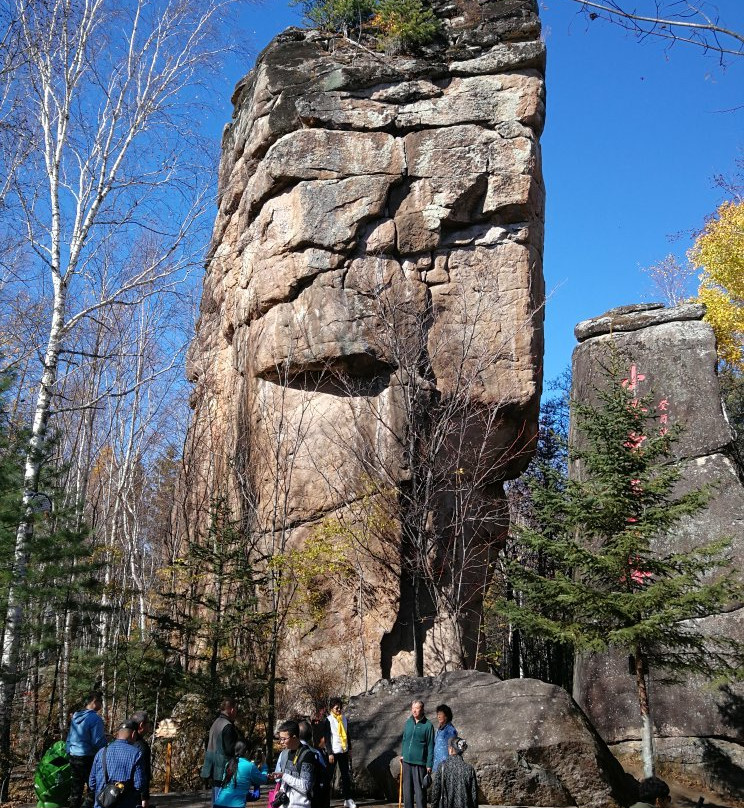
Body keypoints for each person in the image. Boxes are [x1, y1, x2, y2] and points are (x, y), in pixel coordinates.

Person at [88, 721, 145, 808]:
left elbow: (92, 783)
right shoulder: (136, 754)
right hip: (125, 803)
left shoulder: (101, 752)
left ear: (118, 734)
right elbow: (139, 785)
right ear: (133, 734)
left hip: (101, 803)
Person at [66, 691, 107, 808]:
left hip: (73, 755)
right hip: (88, 757)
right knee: (93, 787)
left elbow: (70, 736)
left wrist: (69, 750)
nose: (101, 705)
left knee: (76, 788)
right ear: (94, 702)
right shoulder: (95, 719)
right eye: (100, 702)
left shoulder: (75, 716)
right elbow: (97, 742)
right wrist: (108, 744)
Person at [201, 698, 240, 805]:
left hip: (213, 766)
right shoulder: (227, 726)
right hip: (223, 768)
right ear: (232, 710)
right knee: (222, 801)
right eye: (236, 709)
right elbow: (229, 750)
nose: (236, 712)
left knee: (216, 799)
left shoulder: (216, 722)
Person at [272, 720, 316, 808]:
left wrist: (283, 775)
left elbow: (305, 787)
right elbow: (287, 780)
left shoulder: (307, 755)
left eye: (284, 739)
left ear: (294, 737)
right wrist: (280, 792)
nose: (281, 742)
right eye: (280, 738)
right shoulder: (286, 753)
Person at [400, 700, 434, 808]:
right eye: (413, 708)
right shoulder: (408, 722)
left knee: (420, 793)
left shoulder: (428, 725)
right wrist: (402, 754)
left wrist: (429, 764)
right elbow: (405, 739)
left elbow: (430, 746)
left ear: (422, 709)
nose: (414, 711)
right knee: (407, 792)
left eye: (417, 708)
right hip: (406, 762)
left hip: (419, 763)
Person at [214, 741, 268, 808]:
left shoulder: (229, 764)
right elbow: (264, 780)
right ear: (246, 752)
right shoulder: (249, 766)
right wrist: (264, 766)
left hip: (219, 803)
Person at [322, 699, 355, 808]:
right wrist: (330, 753)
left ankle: (348, 799)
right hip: (333, 752)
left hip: (343, 751)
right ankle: (325, 801)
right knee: (328, 777)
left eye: (340, 707)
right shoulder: (328, 720)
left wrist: (349, 749)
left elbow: (347, 734)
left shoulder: (344, 719)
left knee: (345, 776)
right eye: (337, 708)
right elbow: (327, 738)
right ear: (331, 708)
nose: (339, 710)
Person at [431, 737, 477, 808]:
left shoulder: (442, 766)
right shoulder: (469, 769)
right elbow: (474, 796)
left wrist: (433, 805)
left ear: (451, 749)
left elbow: (435, 792)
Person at [298, 720, 329, 808]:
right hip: (313, 792)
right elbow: (324, 770)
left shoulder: (286, 753)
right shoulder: (316, 753)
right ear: (310, 735)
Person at [129, 711, 152, 808]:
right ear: (142, 725)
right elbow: (144, 773)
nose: (149, 727)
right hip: (136, 794)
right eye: (148, 723)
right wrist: (144, 798)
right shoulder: (142, 746)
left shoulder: (123, 742)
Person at [432, 705, 457, 774]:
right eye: (437, 714)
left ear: (446, 716)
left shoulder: (450, 730)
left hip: (446, 766)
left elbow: (453, 748)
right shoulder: (439, 729)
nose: (438, 716)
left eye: (440, 714)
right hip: (437, 765)